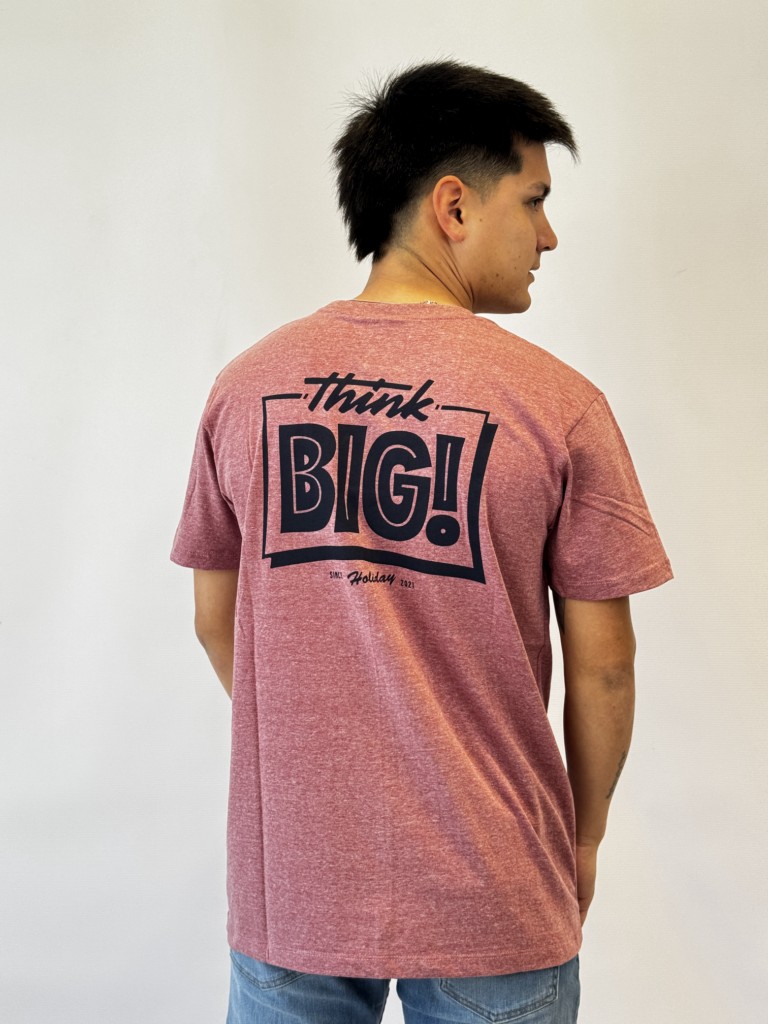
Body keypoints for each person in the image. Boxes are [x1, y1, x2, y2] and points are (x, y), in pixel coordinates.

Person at [171, 59, 673, 1024]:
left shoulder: (246, 387)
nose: (549, 236)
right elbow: (605, 664)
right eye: (534, 201)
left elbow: (212, 619)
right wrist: (584, 837)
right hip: (496, 886)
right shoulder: (558, 406)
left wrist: (323, 735)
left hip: (295, 882)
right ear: (454, 205)